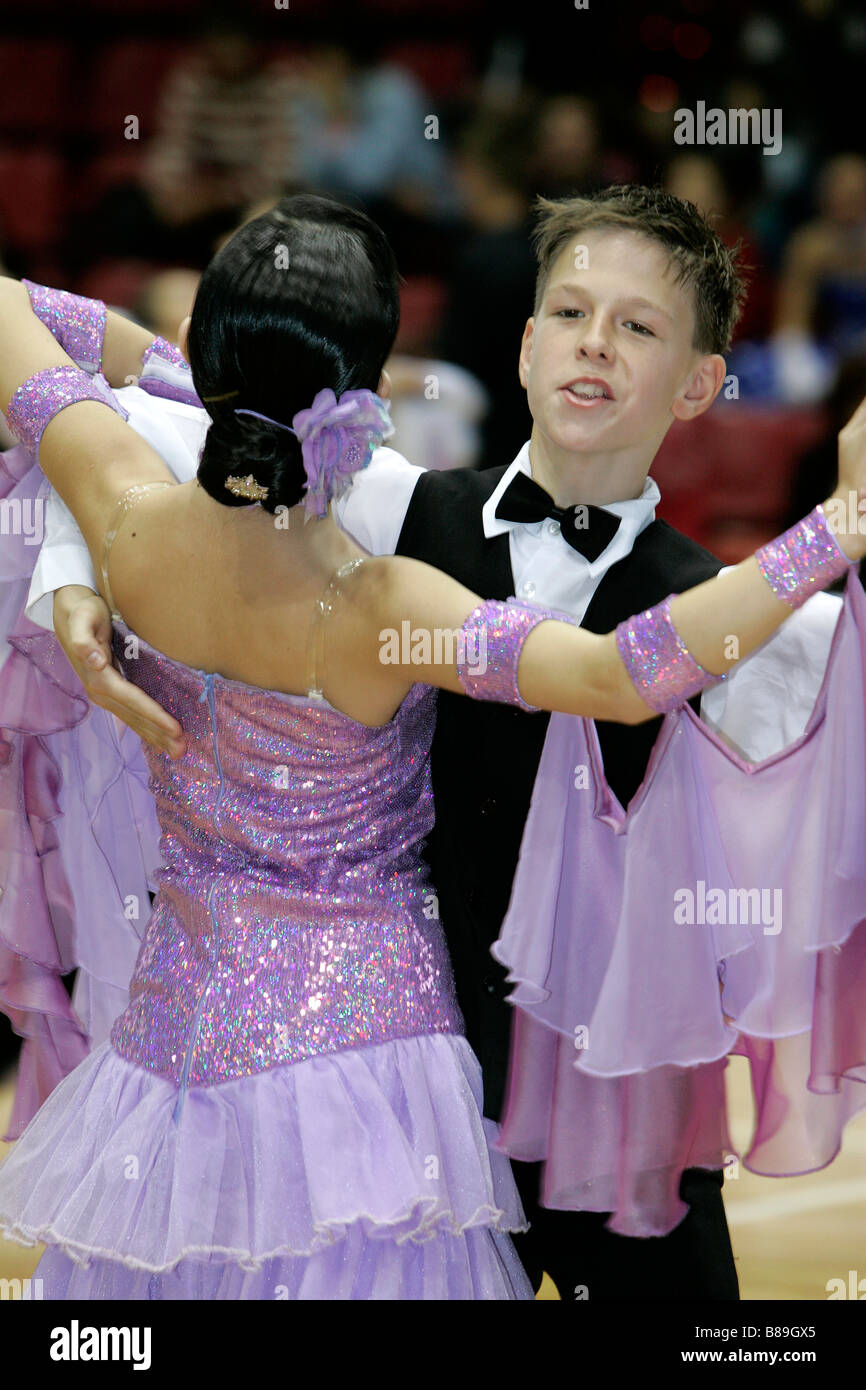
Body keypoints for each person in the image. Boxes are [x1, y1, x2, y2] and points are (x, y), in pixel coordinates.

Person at [5, 189, 866, 1302]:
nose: (593, 344)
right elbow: (619, 672)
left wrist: (88, 550)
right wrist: (838, 518)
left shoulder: (748, 621)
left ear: (703, 381)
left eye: (637, 325)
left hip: (602, 1131)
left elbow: (81, 370)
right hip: (404, 1112)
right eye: (567, 310)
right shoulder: (386, 532)